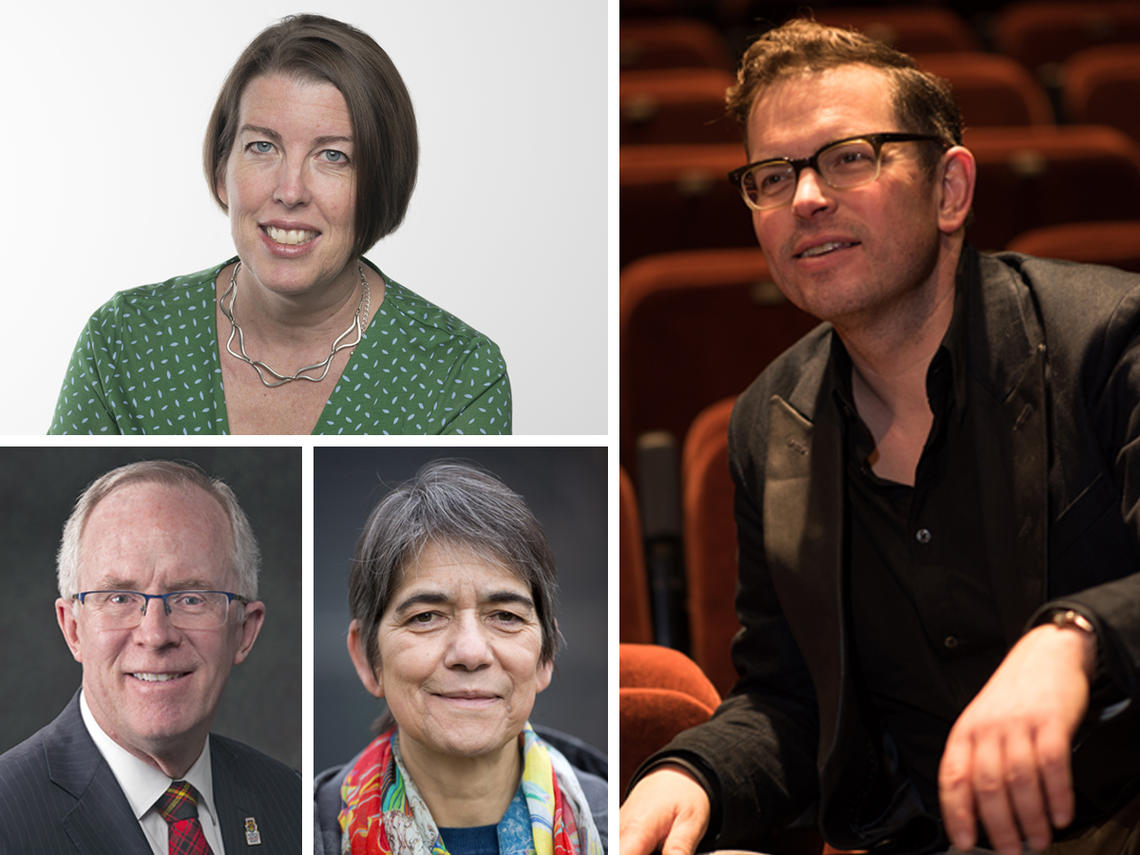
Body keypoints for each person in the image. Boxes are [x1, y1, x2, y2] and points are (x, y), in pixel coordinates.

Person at [619, 18, 1140, 855]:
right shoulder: (766, 423)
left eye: (849, 157)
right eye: (772, 175)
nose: (806, 197)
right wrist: (692, 775)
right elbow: (790, 700)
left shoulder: (1108, 338)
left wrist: (1075, 639)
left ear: (950, 190)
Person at [49, 14, 510, 436]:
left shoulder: (460, 376)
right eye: (263, 147)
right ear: (221, 170)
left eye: (334, 156)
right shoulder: (123, 341)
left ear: (381, 184)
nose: (290, 192)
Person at [0, 460, 300, 853]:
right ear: (73, 628)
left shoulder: (291, 801)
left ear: (244, 631)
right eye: (120, 598)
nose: (155, 634)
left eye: (191, 598)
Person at [314, 460, 607, 855]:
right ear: (367, 658)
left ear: (545, 656)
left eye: (505, 616)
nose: (470, 653)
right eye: (426, 617)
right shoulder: (297, 832)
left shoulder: (622, 825)